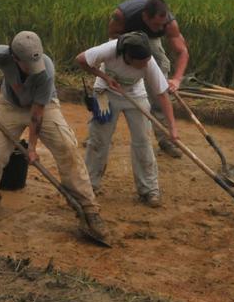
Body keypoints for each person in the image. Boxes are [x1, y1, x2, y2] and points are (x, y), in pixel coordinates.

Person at [0, 31, 109, 238]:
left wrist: (33, 148)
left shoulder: (46, 69)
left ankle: (89, 209)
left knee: (67, 148)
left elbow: (37, 113)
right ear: (14, 58)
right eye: (26, 64)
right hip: (10, 106)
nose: (34, 69)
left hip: (44, 106)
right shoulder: (0, 54)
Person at [77, 32, 180, 207]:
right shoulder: (109, 50)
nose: (145, 65)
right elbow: (80, 60)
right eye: (141, 63)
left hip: (135, 94)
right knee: (99, 141)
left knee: (143, 141)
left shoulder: (149, 62)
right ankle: (89, 187)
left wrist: (172, 128)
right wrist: (105, 77)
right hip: (105, 93)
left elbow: (162, 94)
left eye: (147, 61)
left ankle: (149, 190)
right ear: (127, 57)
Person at [108, 0, 189, 158]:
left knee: (159, 93)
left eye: (162, 24)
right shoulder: (123, 16)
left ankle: (165, 139)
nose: (159, 27)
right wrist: (130, 51)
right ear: (145, 17)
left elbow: (182, 51)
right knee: (111, 89)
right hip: (124, 38)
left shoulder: (169, 24)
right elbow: (112, 34)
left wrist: (177, 79)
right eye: (155, 24)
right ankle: (101, 134)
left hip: (151, 43)